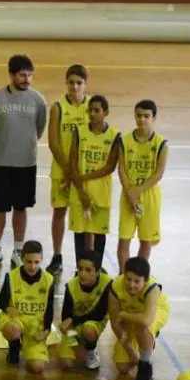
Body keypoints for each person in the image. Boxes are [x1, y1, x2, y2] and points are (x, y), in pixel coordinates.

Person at [0, 55, 47, 271]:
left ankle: (18, 250)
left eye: (29, 75)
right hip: (0, 163)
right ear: (11, 74)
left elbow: (38, 129)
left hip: (26, 164)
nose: (27, 79)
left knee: (21, 208)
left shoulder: (38, 101)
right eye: (22, 75)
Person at [46, 65, 90, 275]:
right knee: (59, 212)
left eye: (79, 83)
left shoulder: (92, 106)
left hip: (84, 172)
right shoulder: (57, 107)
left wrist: (77, 172)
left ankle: (85, 261)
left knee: (84, 215)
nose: (75, 86)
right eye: (71, 82)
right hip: (62, 171)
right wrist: (67, 169)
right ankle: (57, 256)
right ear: (66, 83)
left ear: (85, 84)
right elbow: (53, 142)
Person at [117, 100, 168, 271]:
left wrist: (137, 191)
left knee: (146, 240)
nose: (142, 119)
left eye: (146, 116)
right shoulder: (124, 141)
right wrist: (129, 192)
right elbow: (122, 169)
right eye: (139, 115)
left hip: (149, 196)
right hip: (128, 193)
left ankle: (137, 274)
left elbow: (159, 174)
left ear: (153, 117)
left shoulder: (161, 144)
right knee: (124, 239)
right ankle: (123, 275)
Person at [68, 95, 120, 260]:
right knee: (80, 232)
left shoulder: (114, 135)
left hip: (101, 191)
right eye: (90, 110)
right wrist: (81, 190)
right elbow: (73, 162)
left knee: (99, 232)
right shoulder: (79, 131)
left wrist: (86, 176)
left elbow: (110, 167)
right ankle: (80, 268)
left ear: (106, 112)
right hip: (79, 189)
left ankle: (96, 269)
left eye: (96, 110)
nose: (92, 114)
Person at [109, 256, 169, 380]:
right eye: (128, 279)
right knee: (122, 367)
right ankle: (143, 345)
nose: (131, 284)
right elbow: (114, 322)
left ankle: (145, 366)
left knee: (142, 327)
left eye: (137, 281)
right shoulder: (115, 286)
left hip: (152, 312)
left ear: (146, 281)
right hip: (133, 315)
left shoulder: (152, 289)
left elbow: (146, 319)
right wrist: (130, 350)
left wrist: (123, 314)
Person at [0, 240, 55, 373]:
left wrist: (46, 330)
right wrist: (7, 308)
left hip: (35, 325)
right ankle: (14, 347)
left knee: (38, 368)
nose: (32, 266)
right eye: (29, 261)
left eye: (36, 262)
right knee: (13, 329)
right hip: (17, 320)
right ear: (22, 259)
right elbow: (0, 301)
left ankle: (30, 348)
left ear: (41, 260)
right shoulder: (11, 276)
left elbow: (50, 308)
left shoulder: (49, 280)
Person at [57, 251, 111, 371]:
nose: (82, 273)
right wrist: (75, 342)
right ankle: (81, 344)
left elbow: (98, 314)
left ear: (97, 272)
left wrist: (73, 319)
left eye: (88, 270)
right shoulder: (71, 286)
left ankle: (91, 349)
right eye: (80, 269)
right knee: (66, 364)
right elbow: (65, 320)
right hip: (75, 326)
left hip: (94, 322)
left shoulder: (107, 284)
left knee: (88, 329)